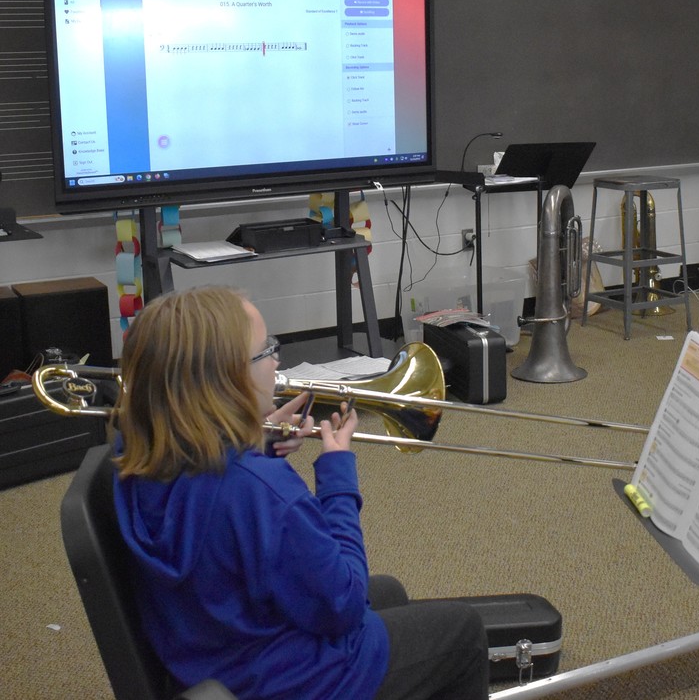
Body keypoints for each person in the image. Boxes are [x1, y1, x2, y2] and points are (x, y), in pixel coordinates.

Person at [110, 285, 489, 700]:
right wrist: (338, 476)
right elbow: (343, 604)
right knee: (463, 630)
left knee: (390, 593)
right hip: (288, 681)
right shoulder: (261, 490)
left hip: (211, 655)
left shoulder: (135, 454)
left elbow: (211, 509)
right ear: (227, 378)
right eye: (265, 351)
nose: (277, 360)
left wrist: (254, 444)